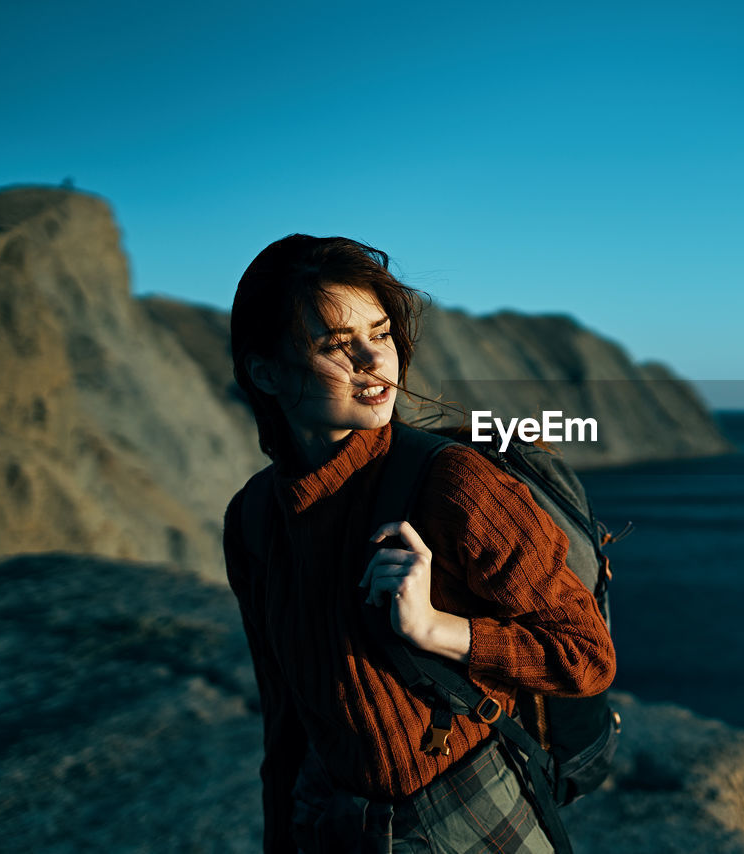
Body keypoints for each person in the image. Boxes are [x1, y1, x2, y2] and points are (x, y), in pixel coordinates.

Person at [222, 234, 616, 853]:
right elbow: (285, 715)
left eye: (379, 334)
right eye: (335, 345)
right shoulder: (254, 517)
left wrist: (434, 629)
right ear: (265, 371)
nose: (374, 362)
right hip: (332, 818)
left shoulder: (456, 488)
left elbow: (586, 657)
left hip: (469, 814)